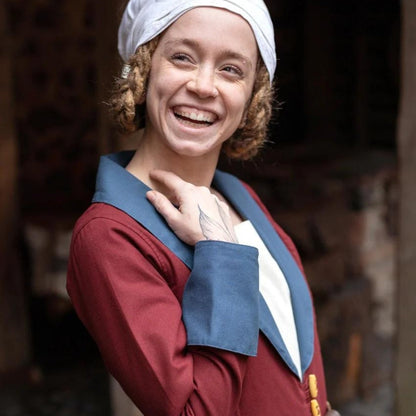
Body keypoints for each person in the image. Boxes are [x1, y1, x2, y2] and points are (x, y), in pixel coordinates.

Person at [67, 1, 340, 415]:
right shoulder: (109, 237)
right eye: (182, 57)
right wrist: (221, 255)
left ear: (252, 96)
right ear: (144, 70)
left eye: (231, 69)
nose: (204, 86)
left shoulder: (238, 196)